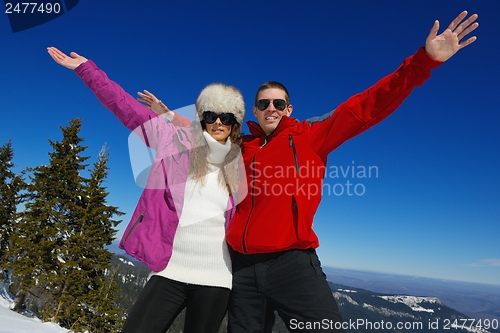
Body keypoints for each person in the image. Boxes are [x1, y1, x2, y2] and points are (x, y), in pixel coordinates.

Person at [221, 11, 478, 333]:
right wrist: (168, 118)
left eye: (278, 102)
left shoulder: (310, 135)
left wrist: (423, 61)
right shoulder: (240, 146)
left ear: (289, 109)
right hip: (242, 268)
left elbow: (366, 106)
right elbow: (200, 137)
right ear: (254, 110)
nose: (270, 108)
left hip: (293, 264)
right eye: (263, 103)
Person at [47, 46, 247, 333]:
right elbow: (126, 108)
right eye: (211, 114)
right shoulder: (173, 141)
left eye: (226, 117)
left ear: (234, 123)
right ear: (202, 117)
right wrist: (86, 69)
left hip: (217, 280)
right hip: (169, 269)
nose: (218, 121)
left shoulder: (241, 161)